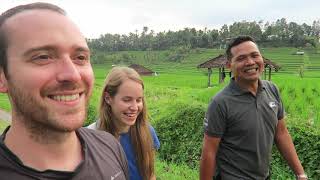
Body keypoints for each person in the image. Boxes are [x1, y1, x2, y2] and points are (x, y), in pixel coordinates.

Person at [0, 3, 128, 179]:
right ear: (2, 78)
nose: (73, 75)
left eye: (80, 57)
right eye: (43, 57)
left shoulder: (109, 146)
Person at [200, 36, 307, 180]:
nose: (250, 62)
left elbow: (281, 133)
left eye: (255, 55)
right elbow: (209, 151)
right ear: (229, 65)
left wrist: (300, 174)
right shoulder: (220, 103)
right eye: (241, 58)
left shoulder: (272, 90)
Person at [88, 66, 160, 180]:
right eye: (127, 100)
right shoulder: (91, 138)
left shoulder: (147, 132)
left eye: (138, 100)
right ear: (108, 98)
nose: (135, 107)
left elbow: (150, 174)